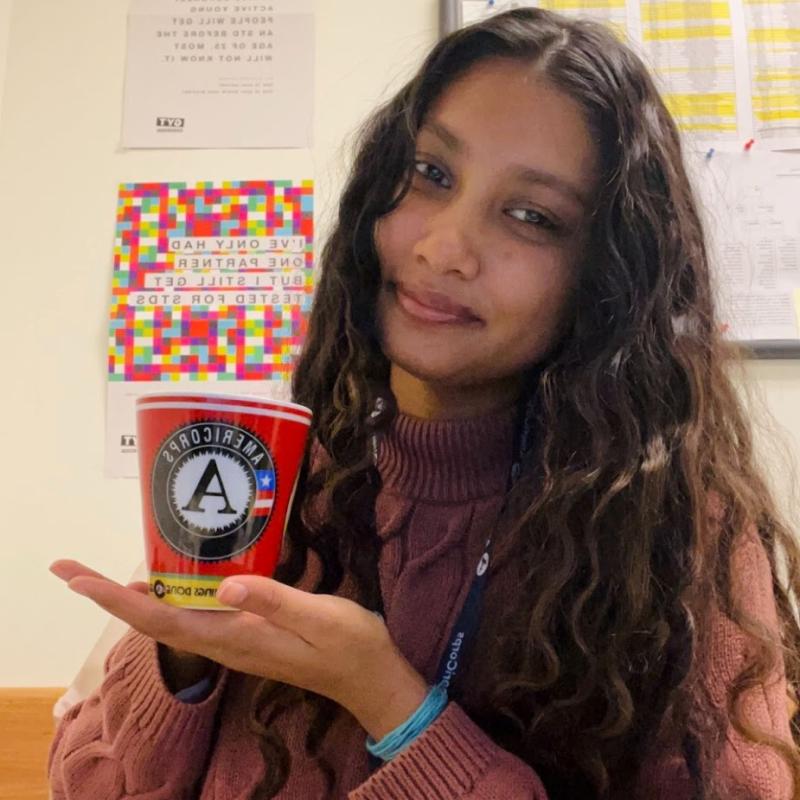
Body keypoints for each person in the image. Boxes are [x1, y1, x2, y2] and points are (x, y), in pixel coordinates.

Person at [48, 8, 800, 799]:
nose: (442, 248)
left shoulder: (676, 534)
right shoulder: (273, 478)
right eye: (431, 174)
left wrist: (389, 702)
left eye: (531, 216)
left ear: (604, 276)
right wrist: (185, 656)